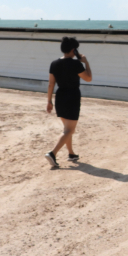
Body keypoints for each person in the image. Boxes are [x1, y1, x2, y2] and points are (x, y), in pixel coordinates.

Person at [45, 36, 92, 167]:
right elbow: (88, 78)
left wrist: (49, 101)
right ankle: (52, 153)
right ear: (73, 50)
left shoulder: (54, 64)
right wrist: (86, 63)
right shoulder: (76, 64)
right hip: (72, 97)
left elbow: (51, 84)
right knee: (69, 131)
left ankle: (71, 154)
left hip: (59, 97)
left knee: (67, 129)